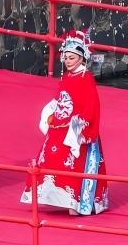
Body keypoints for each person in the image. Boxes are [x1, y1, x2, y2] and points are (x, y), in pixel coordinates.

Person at [21, 30, 109, 215]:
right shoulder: (67, 77)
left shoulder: (86, 78)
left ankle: (75, 202)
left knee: (74, 162)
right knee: (51, 159)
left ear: (81, 58)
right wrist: (51, 111)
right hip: (60, 123)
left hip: (77, 127)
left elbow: (91, 103)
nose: (68, 61)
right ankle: (55, 198)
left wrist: (81, 122)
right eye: (66, 58)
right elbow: (61, 97)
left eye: (72, 58)